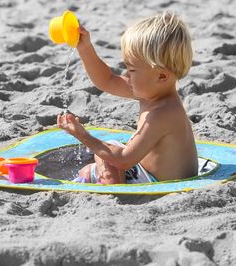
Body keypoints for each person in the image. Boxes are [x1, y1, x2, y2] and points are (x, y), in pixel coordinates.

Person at [57, 12, 198, 184]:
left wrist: (83, 135)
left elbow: (124, 159)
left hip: (155, 182)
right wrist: (85, 48)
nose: (126, 75)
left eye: (131, 70)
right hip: (143, 171)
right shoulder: (153, 91)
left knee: (105, 157)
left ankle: (110, 191)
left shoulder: (162, 113)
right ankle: (97, 179)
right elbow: (107, 80)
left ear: (161, 76)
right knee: (90, 167)